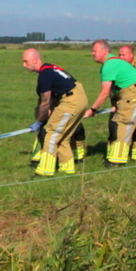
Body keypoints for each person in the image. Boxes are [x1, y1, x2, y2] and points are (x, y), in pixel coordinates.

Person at [22, 49, 88, 177]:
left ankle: (45, 171)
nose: (24, 65)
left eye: (26, 61)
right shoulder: (50, 68)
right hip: (80, 97)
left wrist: (39, 121)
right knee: (63, 136)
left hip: (70, 101)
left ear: (35, 60)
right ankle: (67, 169)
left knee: (51, 133)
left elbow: (45, 102)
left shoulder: (44, 74)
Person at [83, 40, 136, 167]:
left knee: (123, 123)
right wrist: (115, 104)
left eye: (94, 51)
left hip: (134, 94)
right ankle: (119, 156)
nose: (92, 53)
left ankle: (117, 160)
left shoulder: (109, 65)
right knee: (121, 120)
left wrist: (93, 109)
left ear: (104, 51)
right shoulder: (113, 63)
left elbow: (104, 92)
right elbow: (114, 89)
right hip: (132, 92)